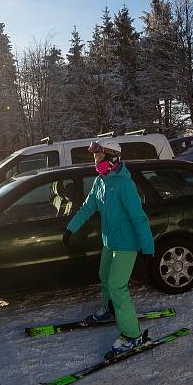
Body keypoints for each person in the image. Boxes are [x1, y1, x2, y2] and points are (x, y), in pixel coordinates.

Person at [62, 137, 156, 358]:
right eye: (94, 156)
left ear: (112, 157)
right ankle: (110, 309)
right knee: (104, 275)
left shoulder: (124, 184)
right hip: (109, 241)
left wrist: (149, 249)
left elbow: (138, 218)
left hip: (126, 244)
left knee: (117, 286)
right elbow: (87, 207)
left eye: (98, 155)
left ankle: (132, 335)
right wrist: (71, 228)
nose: (95, 160)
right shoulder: (100, 182)